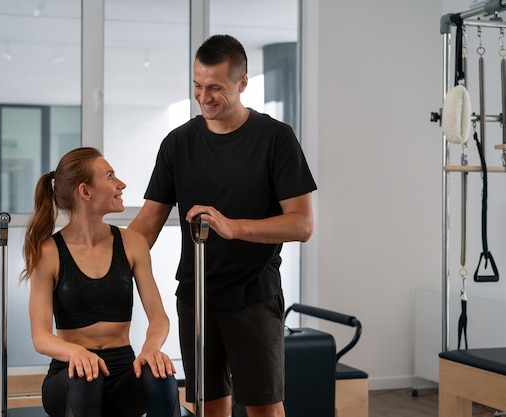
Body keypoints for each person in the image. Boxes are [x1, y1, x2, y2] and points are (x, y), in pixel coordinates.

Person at [128, 34, 317, 417]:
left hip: (254, 296)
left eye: (215, 87)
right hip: (197, 299)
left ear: (242, 83)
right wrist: (95, 259)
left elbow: (302, 224)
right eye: (197, 85)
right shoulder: (178, 143)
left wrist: (234, 228)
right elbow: (146, 224)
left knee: (265, 408)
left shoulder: (276, 139)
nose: (204, 96)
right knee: (207, 407)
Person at [20, 147, 181, 417]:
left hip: (123, 376)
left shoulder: (132, 243)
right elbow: (41, 337)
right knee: (86, 376)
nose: (121, 184)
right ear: (85, 192)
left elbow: (159, 317)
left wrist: (151, 348)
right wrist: (76, 353)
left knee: (160, 374)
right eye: (110, 176)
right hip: (70, 377)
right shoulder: (48, 252)